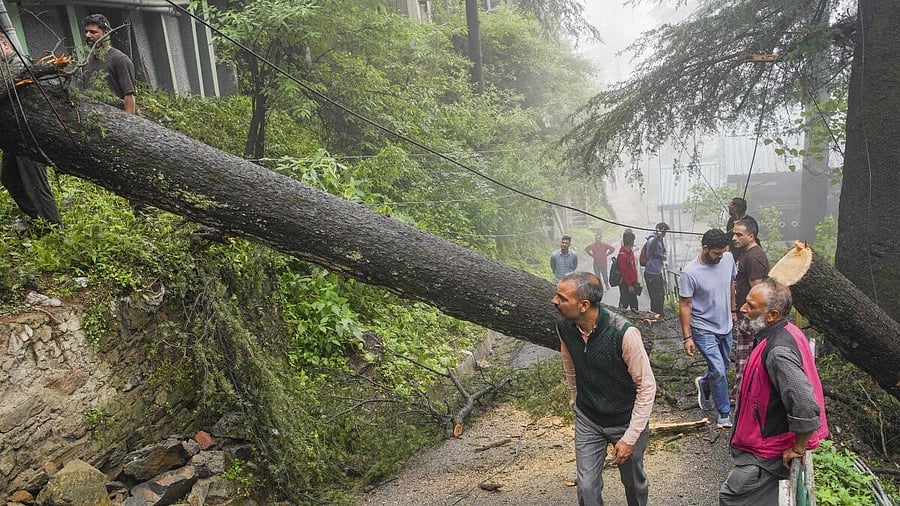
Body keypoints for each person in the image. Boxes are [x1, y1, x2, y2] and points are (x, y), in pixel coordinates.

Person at [719, 279, 828, 505]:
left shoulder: (778, 351)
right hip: (767, 444)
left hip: (766, 452)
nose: (743, 309)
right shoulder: (786, 330)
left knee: (731, 498)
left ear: (772, 315)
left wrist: (798, 448)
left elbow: (806, 404)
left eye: (751, 306)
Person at [554, 272, 656, 506]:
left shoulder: (623, 333)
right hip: (589, 418)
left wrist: (630, 438)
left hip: (625, 420)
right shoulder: (564, 327)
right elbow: (569, 361)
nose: (555, 301)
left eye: (562, 297)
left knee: (633, 483)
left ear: (584, 305)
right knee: (587, 487)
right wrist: (575, 398)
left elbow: (647, 386)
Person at [0, 37, 62, 229]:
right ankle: (37, 218)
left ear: (4, 44)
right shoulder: (4, 67)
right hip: (14, 137)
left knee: (36, 184)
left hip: (28, 134)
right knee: (9, 176)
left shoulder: (18, 65)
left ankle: (54, 227)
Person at [679, 228, 737, 428]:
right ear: (705, 248)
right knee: (719, 370)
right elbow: (685, 304)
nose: (720, 257)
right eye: (716, 253)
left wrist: (733, 310)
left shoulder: (728, 259)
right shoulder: (690, 272)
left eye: (722, 252)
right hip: (703, 327)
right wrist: (687, 337)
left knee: (723, 366)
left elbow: (731, 283)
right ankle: (723, 413)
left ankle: (704, 383)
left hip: (726, 324)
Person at [730, 217, 769, 398]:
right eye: (734, 234)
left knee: (745, 358)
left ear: (751, 236)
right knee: (742, 357)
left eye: (739, 235)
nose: (734, 238)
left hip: (751, 315)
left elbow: (757, 290)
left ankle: (743, 395)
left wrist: (749, 315)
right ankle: (744, 392)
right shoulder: (745, 254)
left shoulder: (754, 257)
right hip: (743, 312)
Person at [82, 14, 136, 113]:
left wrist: (128, 126)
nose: (88, 35)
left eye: (93, 32)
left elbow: (129, 96)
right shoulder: (86, 61)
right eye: (86, 32)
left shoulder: (120, 60)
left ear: (106, 33)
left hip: (115, 118)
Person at [642, 222, 669, 317]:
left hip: (657, 271)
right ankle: (655, 315)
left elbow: (663, 251)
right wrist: (658, 236)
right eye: (664, 232)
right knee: (655, 296)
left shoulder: (660, 240)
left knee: (661, 293)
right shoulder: (653, 239)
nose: (664, 234)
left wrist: (663, 256)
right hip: (651, 272)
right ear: (659, 229)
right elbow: (652, 249)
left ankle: (660, 313)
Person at [617, 230, 639, 311]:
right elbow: (624, 271)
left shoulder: (630, 252)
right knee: (624, 304)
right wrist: (629, 285)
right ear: (630, 241)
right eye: (633, 240)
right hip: (626, 284)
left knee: (634, 304)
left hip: (632, 282)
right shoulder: (623, 255)